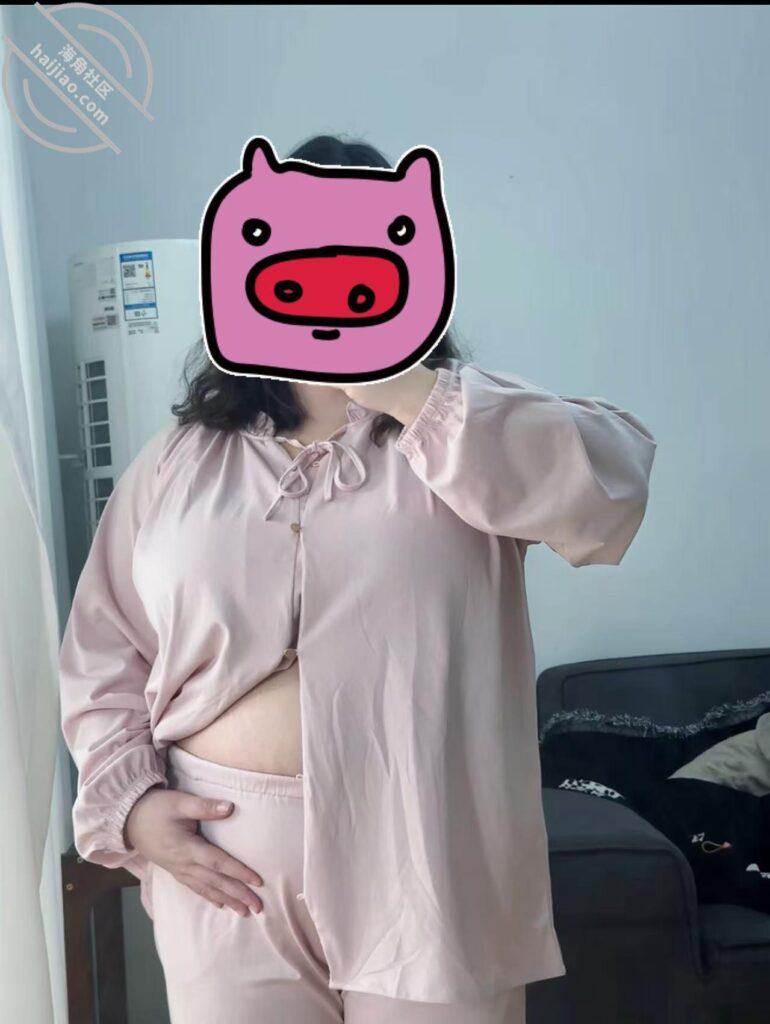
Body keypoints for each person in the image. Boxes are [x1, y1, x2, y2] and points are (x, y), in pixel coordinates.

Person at [58, 134, 658, 1024]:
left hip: (428, 855)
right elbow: (104, 649)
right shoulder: (179, 462)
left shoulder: (464, 430)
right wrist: (133, 803)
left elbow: (611, 492)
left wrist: (409, 391)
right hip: (225, 861)